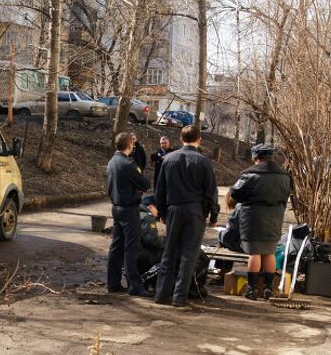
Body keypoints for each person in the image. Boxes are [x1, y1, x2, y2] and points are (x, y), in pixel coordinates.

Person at [154, 125, 219, 307]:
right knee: (189, 255)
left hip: (174, 209)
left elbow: (160, 189)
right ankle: (180, 296)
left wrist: (162, 213)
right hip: (195, 211)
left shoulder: (168, 159)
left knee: (169, 252)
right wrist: (214, 215)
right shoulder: (203, 162)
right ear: (199, 139)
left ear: (181, 139)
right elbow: (211, 192)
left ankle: (161, 294)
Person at [230, 143, 292, 301]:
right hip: (275, 217)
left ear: (256, 158)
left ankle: (251, 289)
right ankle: (268, 288)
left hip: (253, 217)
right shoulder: (285, 175)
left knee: (255, 252)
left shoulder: (250, 175)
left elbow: (235, 193)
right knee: (270, 252)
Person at [106, 132, 153, 297]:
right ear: (129, 145)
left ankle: (113, 283)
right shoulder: (128, 164)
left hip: (116, 207)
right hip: (128, 209)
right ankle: (134, 285)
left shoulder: (112, 161)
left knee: (116, 246)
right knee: (131, 247)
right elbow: (145, 183)